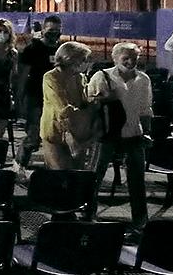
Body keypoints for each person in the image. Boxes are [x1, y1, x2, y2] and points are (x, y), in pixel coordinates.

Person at [87, 43, 153, 235]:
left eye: (135, 58)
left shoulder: (143, 79)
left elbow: (146, 108)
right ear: (115, 58)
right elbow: (90, 104)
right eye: (126, 58)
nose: (131, 62)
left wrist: (147, 131)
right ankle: (88, 215)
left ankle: (140, 221)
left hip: (134, 133)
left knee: (137, 180)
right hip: (107, 135)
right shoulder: (101, 77)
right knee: (95, 176)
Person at [39, 41, 95, 170]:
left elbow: (84, 101)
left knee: (76, 172)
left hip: (77, 131)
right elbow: (61, 105)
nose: (85, 63)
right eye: (83, 59)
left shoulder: (80, 77)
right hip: (54, 131)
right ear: (70, 59)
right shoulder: (51, 77)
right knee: (60, 171)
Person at [17, 15, 62, 170]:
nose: (53, 34)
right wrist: (19, 99)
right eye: (50, 30)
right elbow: (22, 76)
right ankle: (19, 165)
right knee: (33, 137)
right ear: (43, 30)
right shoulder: (33, 49)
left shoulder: (61, 51)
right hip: (35, 98)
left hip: (56, 100)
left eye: (57, 31)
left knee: (54, 139)